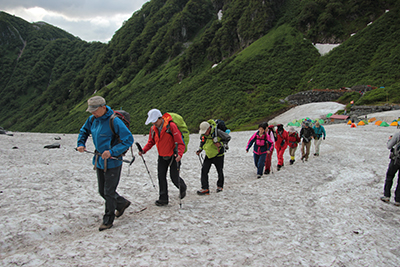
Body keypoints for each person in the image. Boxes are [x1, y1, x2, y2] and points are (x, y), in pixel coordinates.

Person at [77, 96, 133, 231]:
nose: (93, 113)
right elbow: (84, 131)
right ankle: (121, 203)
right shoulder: (92, 119)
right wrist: (81, 143)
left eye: (95, 110)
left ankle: (108, 220)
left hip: (113, 162)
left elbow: (128, 139)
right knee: (102, 190)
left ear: (103, 107)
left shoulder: (114, 121)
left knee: (108, 192)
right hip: (100, 160)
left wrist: (112, 151)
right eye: (91, 111)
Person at [139, 109, 187, 206]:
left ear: (160, 118)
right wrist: (144, 150)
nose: (154, 123)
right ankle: (163, 199)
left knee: (174, 177)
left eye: (155, 121)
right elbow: (151, 142)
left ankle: (182, 187)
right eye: (152, 121)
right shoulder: (153, 129)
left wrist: (179, 154)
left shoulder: (171, 126)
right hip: (161, 156)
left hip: (173, 156)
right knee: (161, 177)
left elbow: (180, 142)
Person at [196, 120, 231, 194]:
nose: (204, 133)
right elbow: (202, 141)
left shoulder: (217, 132)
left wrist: (221, 144)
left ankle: (220, 186)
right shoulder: (204, 135)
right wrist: (200, 149)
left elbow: (228, 137)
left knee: (219, 171)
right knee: (204, 171)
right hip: (208, 154)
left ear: (209, 128)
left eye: (205, 131)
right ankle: (205, 188)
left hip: (218, 155)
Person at [381, 133, 400, 206]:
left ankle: (387, 195)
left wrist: (389, 140)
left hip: (395, 160)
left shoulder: (398, 135)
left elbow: (389, 146)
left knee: (389, 177)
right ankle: (398, 200)